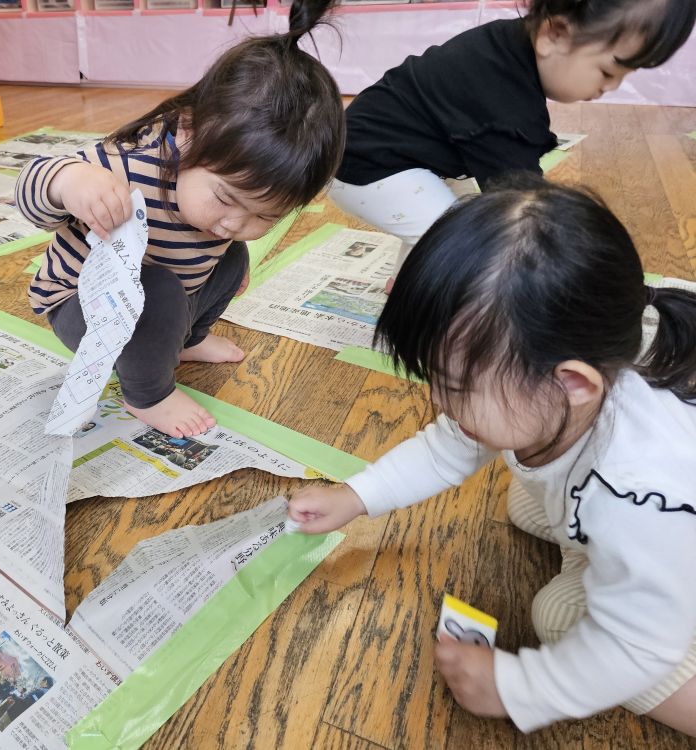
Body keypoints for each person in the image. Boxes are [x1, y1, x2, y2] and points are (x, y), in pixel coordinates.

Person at [288, 178, 696, 735]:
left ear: (573, 383)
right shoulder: (562, 381)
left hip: (671, 550)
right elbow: (446, 447)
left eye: (454, 385)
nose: (435, 399)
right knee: (525, 501)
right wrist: (355, 497)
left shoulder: (637, 491)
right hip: (629, 522)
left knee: (558, 619)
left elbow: (638, 646)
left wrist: (517, 688)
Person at [16, 0, 345, 439]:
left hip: (167, 303)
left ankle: (186, 340)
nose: (232, 223)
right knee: (160, 290)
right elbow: (30, 187)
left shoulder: (223, 205)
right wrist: (69, 182)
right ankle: (147, 394)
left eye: (265, 215)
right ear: (189, 131)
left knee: (233, 259)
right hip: (86, 309)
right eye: (225, 198)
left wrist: (226, 262)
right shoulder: (126, 165)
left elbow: (227, 232)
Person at [332, 0, 696, 289]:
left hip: (397, 153)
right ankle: (419, 304)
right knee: (465, 242)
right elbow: (525, 212)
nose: (610, 88)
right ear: (554, 34)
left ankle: (407, 284)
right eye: (607, 72)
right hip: (366, 167)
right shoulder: (503, 100)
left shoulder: (507, 45)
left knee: (459, 216)